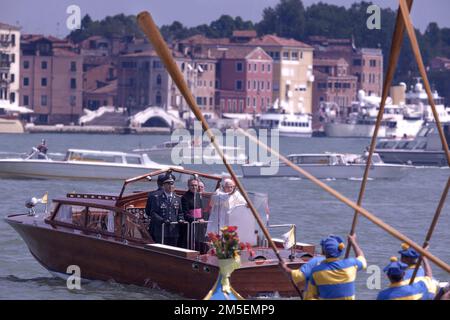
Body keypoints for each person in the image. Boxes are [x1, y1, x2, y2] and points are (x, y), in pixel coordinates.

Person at [308, 234, 366, 300]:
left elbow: (310, 297)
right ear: (339, 251)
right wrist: (353, 242)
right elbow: (362, 259)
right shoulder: (351, 264)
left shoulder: (316, 272)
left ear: (324, 252)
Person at [148, 174, 184, 246]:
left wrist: (181, 219)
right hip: (161, 230)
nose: (170, 186)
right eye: (168, 184)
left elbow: (180, 213)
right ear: (163, 185)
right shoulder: (157, 198)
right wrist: (162, 220)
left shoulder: (177, 198)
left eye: (172, 184)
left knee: (173, 250)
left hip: (173, 231)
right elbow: (153, 213)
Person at [180, 178, 206, 251]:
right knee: (191, 245)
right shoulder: (185, 197)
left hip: (199, 224)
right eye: (192, 185)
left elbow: (201, 210)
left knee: (200, 244)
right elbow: (185, 214)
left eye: (196, 185)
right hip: (191, 224)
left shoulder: (198, 195)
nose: (194, 187)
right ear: (188, 186)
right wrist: (196, 220)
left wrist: (202, 219)